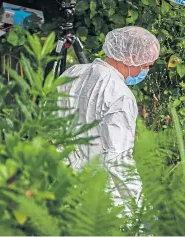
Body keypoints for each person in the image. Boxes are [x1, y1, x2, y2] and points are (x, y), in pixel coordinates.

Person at [57, 26, 160, 216]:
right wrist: (138, 209)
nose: (145, 70)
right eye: (146, 65)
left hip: (58, 181)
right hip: (95, 195)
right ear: (130, 57)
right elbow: (118, 159)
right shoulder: (120, 95)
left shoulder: (72, 73)